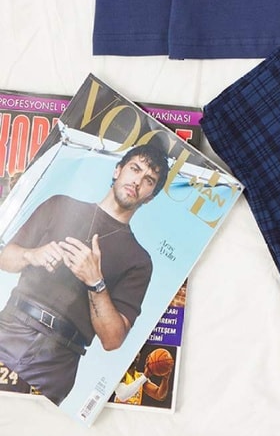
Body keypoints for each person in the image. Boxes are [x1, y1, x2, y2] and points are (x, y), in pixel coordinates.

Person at [0, 141, 169, 404]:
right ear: (118, 170)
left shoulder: (139, 261)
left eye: (148, 180)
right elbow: (5, 258)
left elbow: (112, 340)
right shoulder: (59, 204)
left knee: (28, 423)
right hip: (10, 328)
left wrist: (96, 282)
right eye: (135, 169)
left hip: (58, 361)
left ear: (150, 196)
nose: (137, 181)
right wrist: (31, 255)